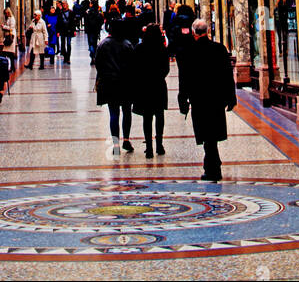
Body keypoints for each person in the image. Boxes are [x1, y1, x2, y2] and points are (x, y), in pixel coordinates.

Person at [177, 18, 237, 182]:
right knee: (212, 133)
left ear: (194, 32)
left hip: (199, 99)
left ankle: (212, 168)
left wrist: (183, 100)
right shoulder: (219, 49)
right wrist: (231, 97)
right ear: (207, 32)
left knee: (207, 134)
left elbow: (185, 79)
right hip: (216, 98)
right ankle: (213, 164)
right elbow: (227, 75)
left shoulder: (188, 51)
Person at [94, 18, 134, 155]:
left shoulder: (103, 44)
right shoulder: (127, 44)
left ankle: (116, 144)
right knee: (127, 112)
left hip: (109, 83)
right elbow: (133, 65)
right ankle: (127, 140)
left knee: (114, 113)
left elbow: (98, 64)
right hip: (126, 83)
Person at [132, 23, 169, 158]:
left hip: (144, 86)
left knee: (147, 117)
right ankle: (159, 144)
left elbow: (134, 67)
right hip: (158, 85)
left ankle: (149, 147)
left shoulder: (139, 48)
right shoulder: (162, 49)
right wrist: (159, 76)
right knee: (159, 115)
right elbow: (166, 68)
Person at [2, 5, 18, 73]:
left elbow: (11, 28)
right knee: (7, 53)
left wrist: (4, 26)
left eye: (6, 13)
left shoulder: (12, 18)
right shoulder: (8, 18)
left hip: (11, 36)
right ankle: (11, 67)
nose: (5, 14)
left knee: (9, 53)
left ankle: (12, 67)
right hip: (8, 36)